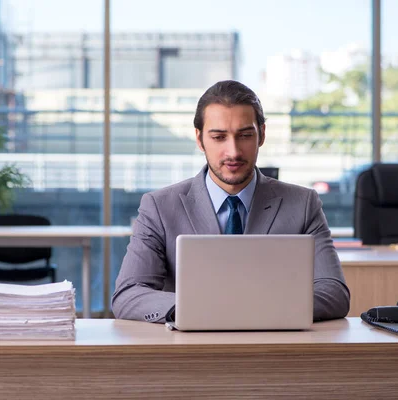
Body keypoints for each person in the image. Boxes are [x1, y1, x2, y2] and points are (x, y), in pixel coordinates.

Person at [112, 80, 350, 323]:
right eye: (219, 137)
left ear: (262, 135)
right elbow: (128, 294)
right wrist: (199, 307)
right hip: (190, 352)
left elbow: (333, 292)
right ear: (199, 138)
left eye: (245, 135)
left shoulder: (302, 204)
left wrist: (247, 308)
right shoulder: (159, 206)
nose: (233, 151)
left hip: (274, 352)